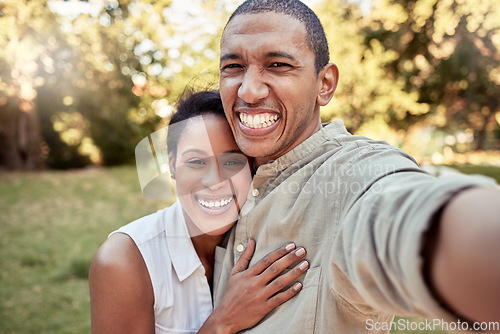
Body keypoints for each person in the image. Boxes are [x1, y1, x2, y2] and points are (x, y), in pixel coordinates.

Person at [213, 1, 500, 333]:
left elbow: (408, 216)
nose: (248, 90)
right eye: (233, 66)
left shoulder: (352, 175)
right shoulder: (223, 182)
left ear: (325, 84)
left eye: (277, 65)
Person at [89, 90, 310, 334]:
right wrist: (223, 322)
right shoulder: (123, 260)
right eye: (196, 162)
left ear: (251, 167)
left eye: (231, 162)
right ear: (172, 165)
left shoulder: (270, 238)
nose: (214, 181)